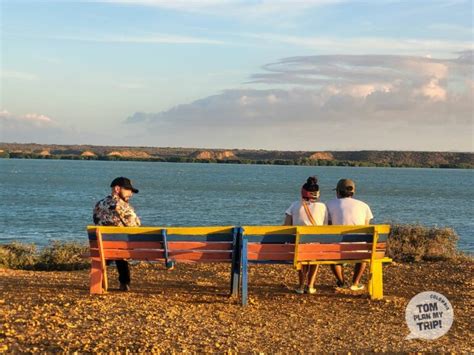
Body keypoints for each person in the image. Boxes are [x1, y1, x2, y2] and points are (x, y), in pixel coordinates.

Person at [93, 177, 141, 291]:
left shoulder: (99, 204)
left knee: (113, 248)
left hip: (103, 245)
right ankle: (124, 283)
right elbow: (135, 226)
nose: (131, 194)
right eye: (128, 190)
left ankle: (97, 282)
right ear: (117, 189)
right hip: (120, 246)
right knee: (120, 248)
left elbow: (96, 221)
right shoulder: (122, 205)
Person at [325, 178, 373, 291]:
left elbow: (328, 226)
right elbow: (366, 227)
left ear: (338, 192)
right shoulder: (364, 206)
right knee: (362, 256)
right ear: (353, 192)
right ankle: (355, 283)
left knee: (332, 253)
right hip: (360, 249)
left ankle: (341, 282)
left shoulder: (329, 204)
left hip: (338, 248)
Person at [284, 176, 328, 294]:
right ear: (317, 194)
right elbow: (325, 227)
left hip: (300, 245)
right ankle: (311, 285)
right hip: (316, 246)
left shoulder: (294, 205)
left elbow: (286, 227)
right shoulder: (323, 207)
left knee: (302, 251)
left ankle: (301, 285)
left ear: (303, 193)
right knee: (315, 249)